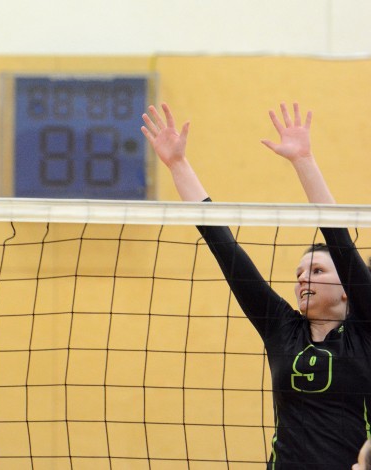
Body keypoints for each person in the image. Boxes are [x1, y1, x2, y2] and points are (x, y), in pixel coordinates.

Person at [142, 102, 371, 468]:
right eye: (298, 274)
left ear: (347, 288)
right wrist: (178, 165)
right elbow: (225, 248)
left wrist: (303, 160)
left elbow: (338, 236)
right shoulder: (281, 329)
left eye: (316, 271)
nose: (302, 280)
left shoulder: (366, 331)